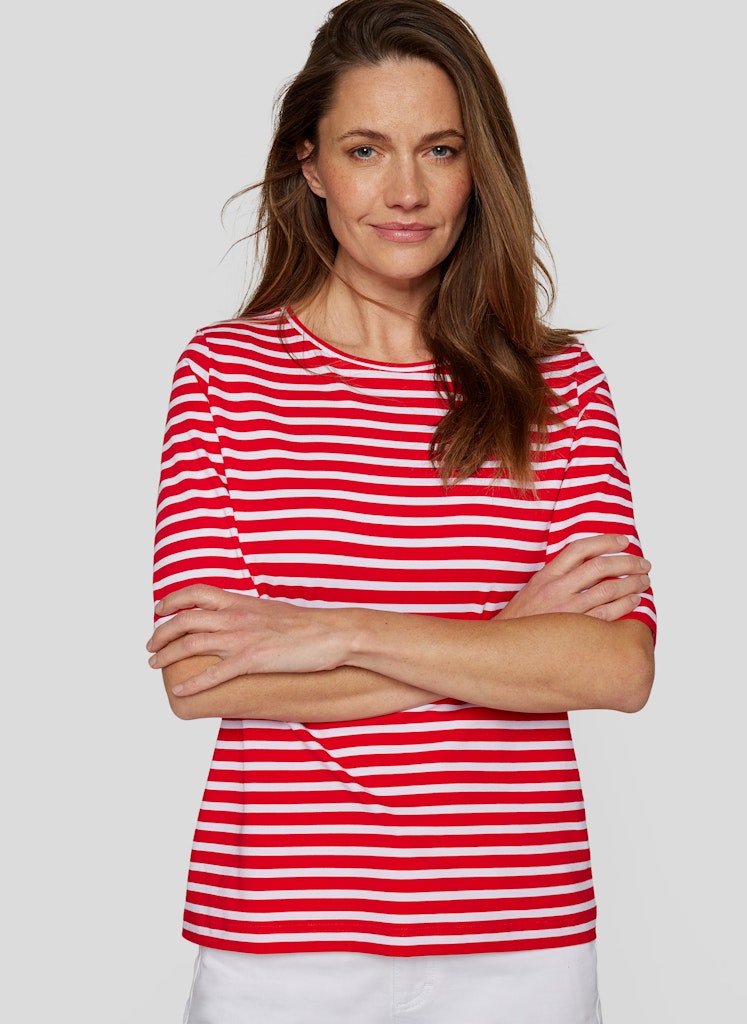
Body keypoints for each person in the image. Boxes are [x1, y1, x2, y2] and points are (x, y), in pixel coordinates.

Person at [147, 1, 656, 1020]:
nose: (407, 191)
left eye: (440, 149)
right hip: (284, 938)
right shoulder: (224, 375)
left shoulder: (559, 386)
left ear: (479, 167)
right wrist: (506, 637)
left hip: (524, 937)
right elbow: (200, 680)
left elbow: (615, 667)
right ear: (309, 164)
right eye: (366, 149)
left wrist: (332, 632)